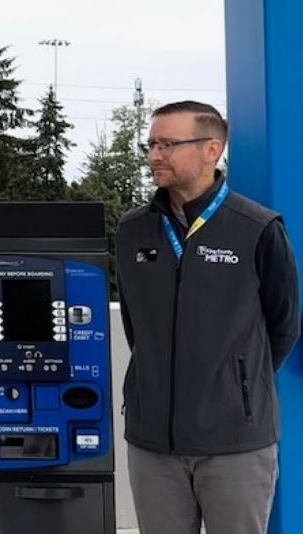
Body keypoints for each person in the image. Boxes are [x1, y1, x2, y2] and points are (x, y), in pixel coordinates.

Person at [116, 100, 299, 534]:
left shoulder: (256, 228)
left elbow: (284, 324)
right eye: (152, 144)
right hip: (153, 441)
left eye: (168, 144)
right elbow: (134, 322)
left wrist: (237, 388)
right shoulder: (133, 230)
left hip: (234, 444)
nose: (154, 155)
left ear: (211, 150)